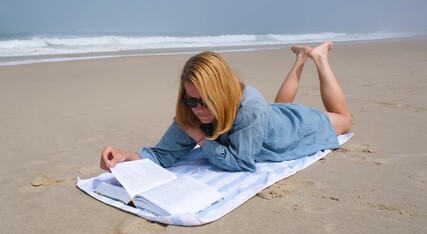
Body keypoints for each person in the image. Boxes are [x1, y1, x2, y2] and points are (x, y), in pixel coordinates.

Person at [100, 41, 352, 172]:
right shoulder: (191, 108)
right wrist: (126, 156)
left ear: (220, 92)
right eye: (191, 100)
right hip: (267, 115)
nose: (197, 109)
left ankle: (319, 58)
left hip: (292, 129)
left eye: (205, 101)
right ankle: (300, 58)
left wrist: (200, 138)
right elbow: (163, 154)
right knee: (273, 107)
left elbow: (242, 163)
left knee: (344, 119)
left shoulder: (251, 108)